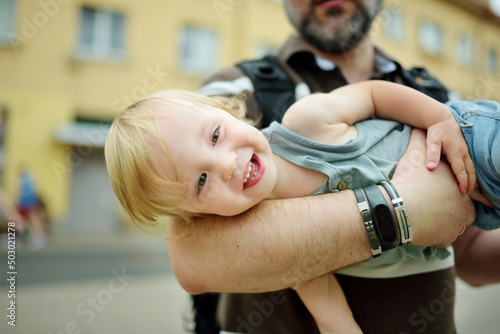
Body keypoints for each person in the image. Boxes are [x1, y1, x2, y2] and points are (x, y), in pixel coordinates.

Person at [105, 80, 497, 333]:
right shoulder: (266, 231)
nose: (225, 165)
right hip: (480, 203)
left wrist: (439, 117)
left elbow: (376, 94)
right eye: (201, 182)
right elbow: (320, 293)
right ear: (195, 215)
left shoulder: (304, 123)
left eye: (215, 135)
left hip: (466, 138)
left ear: (227, 109)